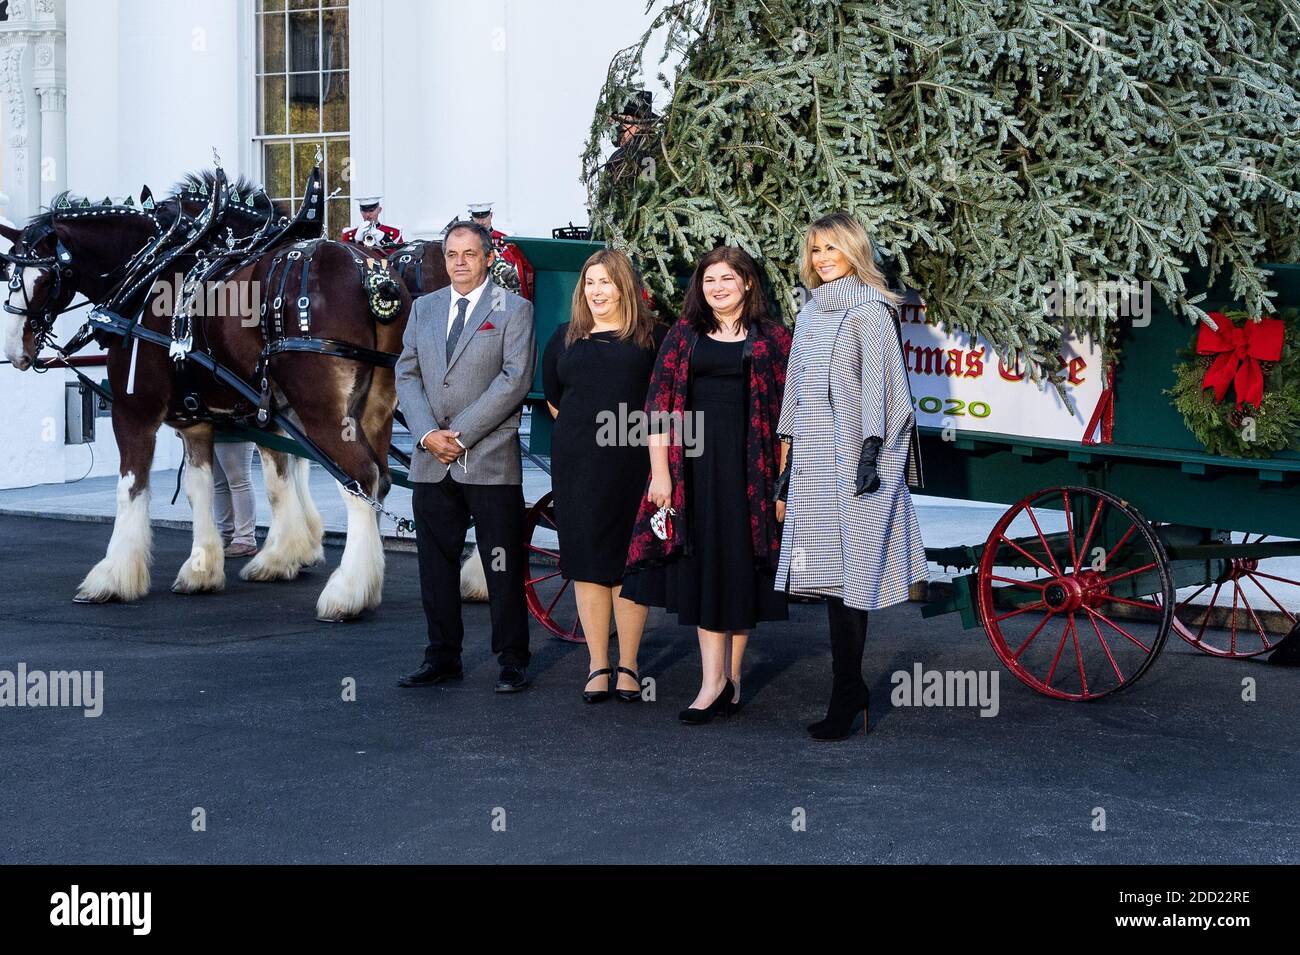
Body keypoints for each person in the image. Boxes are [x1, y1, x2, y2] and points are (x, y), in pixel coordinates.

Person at [775, 211, 928, 741]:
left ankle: (847, 693)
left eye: (831, 249)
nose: (821, 260)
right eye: (815, 250)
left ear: (853, 253)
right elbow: (795, 387)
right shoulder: (812, 309)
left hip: (859, 459)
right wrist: (789, 459)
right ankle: (850, 689)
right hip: (815, 460)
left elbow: (886, 390)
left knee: (854, 578)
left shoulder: (870, 310)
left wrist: (869, 456)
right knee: (833, 579)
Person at [622, 246, 791, 724]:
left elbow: (791, 417)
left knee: (740, 569)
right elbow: (656, 407)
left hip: (751, 471)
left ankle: (730, 682)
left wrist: (783, 481)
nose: (717, 288)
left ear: (748, 284)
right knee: (704, 568)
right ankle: (710, 681)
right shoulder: (684, 335)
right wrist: (660, 473)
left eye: (727, 279)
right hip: (693, 469)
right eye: (709, 280)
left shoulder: (774, 338)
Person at [394, 221, 536, 692]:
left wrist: (462, 434)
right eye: (452, 254)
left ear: (487, 257)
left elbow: (514, 379)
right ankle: (442, 657)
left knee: (501, 562)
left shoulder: (512, 309)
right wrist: (427, 433)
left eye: (469, 254)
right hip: (430, 458)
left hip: (489, 457)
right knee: (434, 565)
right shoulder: (424, 309)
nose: (459, 262)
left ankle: (512, 659)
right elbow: (407, 374)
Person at [542, 250, 665, 704]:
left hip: (632, 464)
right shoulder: (564, 338)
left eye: (607, 282)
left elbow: (664, 407)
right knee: (588, 566)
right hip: (578, 466)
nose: (597, 291)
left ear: (625, 288)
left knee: (627, 563)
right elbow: (555, 400)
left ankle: (629, 665)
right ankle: (597, 664)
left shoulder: (652, 339)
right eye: (590, 283)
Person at [468, 202, 534, 301]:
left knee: (500, 309)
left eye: (485, 216)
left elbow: (511, 260)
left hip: (497, 287)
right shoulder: (466, 240)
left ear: (491, 215)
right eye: (477, 217)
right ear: (472, 217)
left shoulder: (502, 238)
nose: (481, 221)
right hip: (473, 284)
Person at [212, 441, 258, 558]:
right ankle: (225, 535)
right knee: (218, 483)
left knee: (239, 481)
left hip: (234, 428)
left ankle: (245, 539)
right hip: (209, 428)